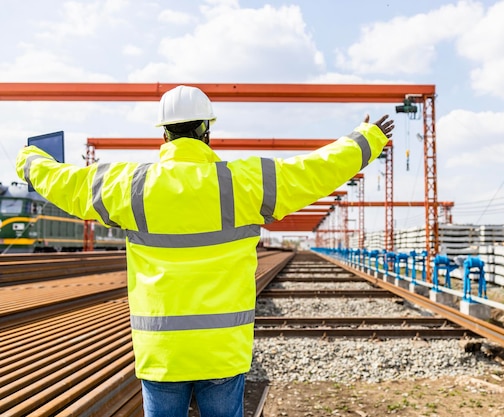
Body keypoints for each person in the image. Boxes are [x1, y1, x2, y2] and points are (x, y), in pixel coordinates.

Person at [15, 85, 394, 417]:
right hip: (222, 350)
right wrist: (367, 139)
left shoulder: (130, 186)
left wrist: (30, 159)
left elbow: (63, 182)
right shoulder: (246, 182)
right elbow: (314, 170)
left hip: (161, 351)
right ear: (206, 130)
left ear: (164, 133)